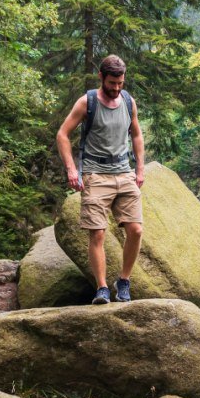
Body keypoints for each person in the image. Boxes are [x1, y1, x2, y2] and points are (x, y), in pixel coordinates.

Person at [55, 55, 146, 304]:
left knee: (136, 230)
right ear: (101, 77)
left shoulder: (128, 102)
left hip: (124, 173)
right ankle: (103, 288)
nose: (116, 88)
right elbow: (62, 135)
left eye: (120, 83)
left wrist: (140, 167)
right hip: (95, 174)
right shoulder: (88, 102)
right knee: (97, 234)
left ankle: (123, 281)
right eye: (112, 83)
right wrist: (72, 170)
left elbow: (136, 135)